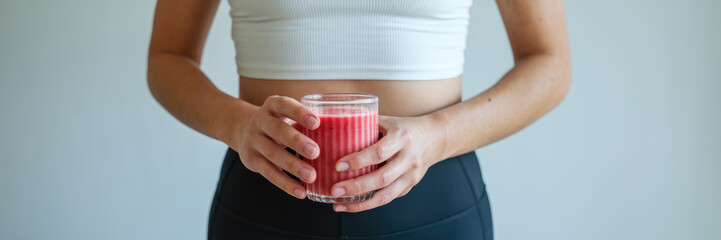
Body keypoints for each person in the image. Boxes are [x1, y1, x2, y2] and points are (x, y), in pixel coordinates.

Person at [147, 0, 570, 239]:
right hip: (266, 198)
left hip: (433, 200)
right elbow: (168, 56)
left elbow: (550, 62)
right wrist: (236, 124)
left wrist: (437, 136)